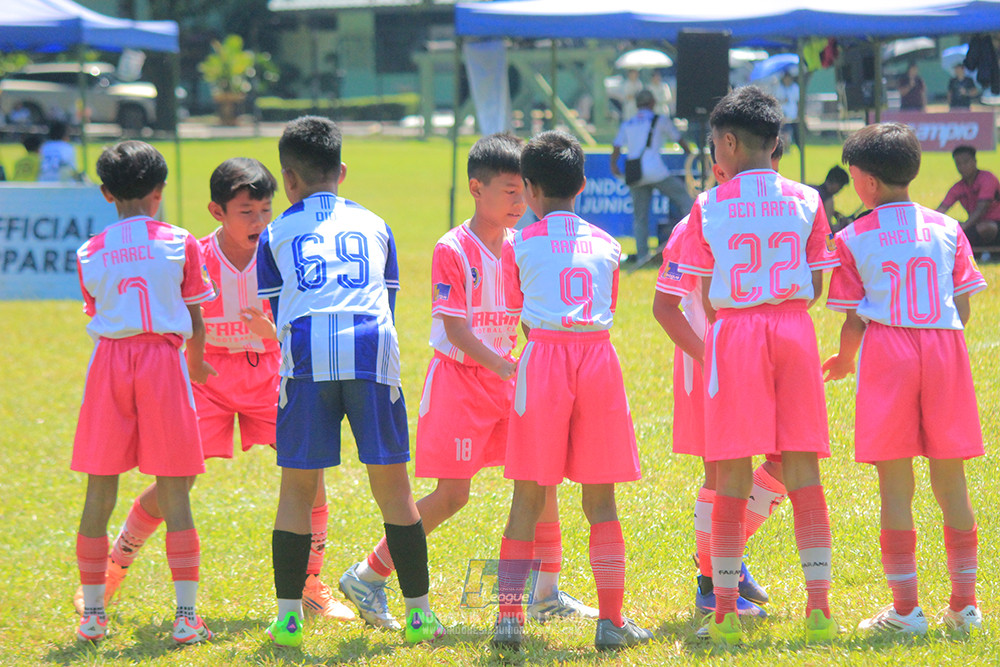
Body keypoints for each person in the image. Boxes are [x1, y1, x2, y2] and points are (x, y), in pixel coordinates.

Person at [70, 157, 355, 622]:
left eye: (265, 210)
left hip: (269, 372)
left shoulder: (285, 250)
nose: (260, 222)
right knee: (173, 485)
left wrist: (274, 330)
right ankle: (113, 567)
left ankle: (309, 584)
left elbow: (310, 317)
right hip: (206, 377)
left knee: (310, 480)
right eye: (247, 212)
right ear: (218, 212)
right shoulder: (193, 252)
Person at [339, 133, 596, 630]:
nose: (519, 202)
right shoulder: (451, 249)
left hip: (509, 381)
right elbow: (454, 327)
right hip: (461, 382)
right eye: (508, 191)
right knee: (454, 495)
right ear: (476, 189)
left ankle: (546, 592)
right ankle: (367, 575)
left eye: (524, 191)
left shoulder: (524, 246)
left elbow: (528, 315)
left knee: (541, 482)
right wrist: (504, 365)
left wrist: (542, 353)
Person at [256, 116, 442, 648]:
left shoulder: (275, 231)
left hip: (307, 356)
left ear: (288, 179)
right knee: (394, 491)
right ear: (342, 171)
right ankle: (420, 615)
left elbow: (277, 308)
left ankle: (289, 618)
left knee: (295, 489)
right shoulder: (376, 223)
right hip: (370, 350)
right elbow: (388, 297)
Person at [675, 86, 840, 645]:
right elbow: (818, 282)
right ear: (776, 142)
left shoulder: (707, 205)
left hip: (737, 333)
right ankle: (819, 608)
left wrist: (741, 318)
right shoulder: (808, 199)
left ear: (726, 143)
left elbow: (702, 292)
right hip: (794, 329)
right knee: (803, 472)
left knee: (731, 476)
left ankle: (722, 610)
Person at [490, 131, 652, 652]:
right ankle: (610, 621)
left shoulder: (518, 243)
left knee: (527, 497)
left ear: (529, 189)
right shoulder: (608, 244)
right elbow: (609, 302)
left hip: (544, 359)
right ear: (583, 185)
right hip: (597, 359)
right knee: (600, 501)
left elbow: (517, 308)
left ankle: (509, 622)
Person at [823, 122, 986, 635]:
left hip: (888, 349)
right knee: (951, 483)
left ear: (865, 182)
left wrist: (846, 360)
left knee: (895, 486)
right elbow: (962, 301)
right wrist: (944, 334)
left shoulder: (851, 237)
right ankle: (965, 607)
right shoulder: (947, 227)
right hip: (944, 346)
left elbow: (852, 318)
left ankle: (906, 610)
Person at [72, 140, 216, 645]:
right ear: (160, 191)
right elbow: (196, 315)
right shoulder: (182, 242)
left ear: (107, 193)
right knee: (175, 491)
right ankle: (185, 617)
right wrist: (195, 365)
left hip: (109, 365)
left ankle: (92, 615)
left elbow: (97, 308)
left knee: (99, 490)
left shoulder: (88, 251)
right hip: (161, 362)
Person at [653, 136, 789, 630]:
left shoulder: (777, 212)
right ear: (720, 170)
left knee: (785, 462)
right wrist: (711, 357)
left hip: (759, 359)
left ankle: (719, 556)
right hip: (710, 364)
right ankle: (712, 585)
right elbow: (678, 305)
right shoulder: (699, 222)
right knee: (721, 474)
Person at [610, 89, 694, 263]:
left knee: (640, 218)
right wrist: (691, 155)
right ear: (652, 103)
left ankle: (642, 257)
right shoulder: (660, 120)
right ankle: (691, 243)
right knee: (686, 201)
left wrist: (614, 167)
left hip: (636, 174)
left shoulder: (628, 123)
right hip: (656, 171)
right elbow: (679, 139)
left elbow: (617, 147)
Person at [936, 145, 1000, 253]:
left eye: (966, 162)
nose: (962, 167)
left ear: (974, 161)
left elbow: (981, 209)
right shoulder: (958, 187)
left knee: (986, 228)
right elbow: (941, 210)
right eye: (958, 164)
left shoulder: (987, 179)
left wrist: (964, 227)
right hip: (974, 226)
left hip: (994, 224)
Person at [811, 166, 851, 231]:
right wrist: (842, 225)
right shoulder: (828, 200)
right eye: (841, 187)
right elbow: (827, 230)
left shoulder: (811, 190)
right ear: (836, 184)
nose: (840, 190)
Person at [775, 70, 799, 148]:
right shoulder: (780, 88)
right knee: (784, 132)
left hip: (793, 113)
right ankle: (785, 147)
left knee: (796, 132)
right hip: (783, 113)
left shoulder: (795, 87)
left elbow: (797, 100)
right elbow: (776, 100)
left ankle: (798, 146)